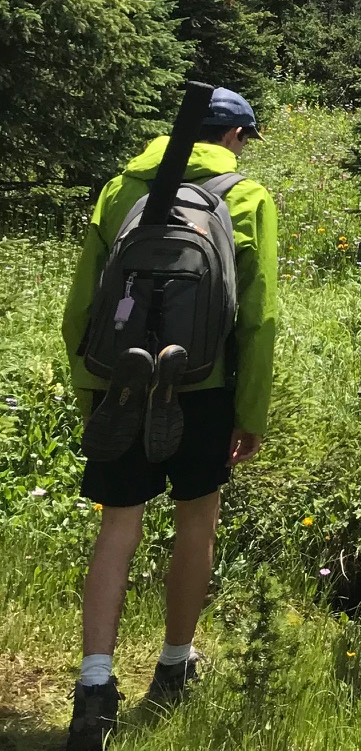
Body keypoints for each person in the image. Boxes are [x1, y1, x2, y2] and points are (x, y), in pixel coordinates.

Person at [59, 88, 277, 751]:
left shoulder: (120, 189)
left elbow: (81, 306)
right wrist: (251, 412)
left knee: (118, 528)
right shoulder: (247, 196)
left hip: (119, 382)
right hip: (202, 383)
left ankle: (95, 686)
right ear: (235, 135)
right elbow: (259, 318)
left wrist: (91, 394)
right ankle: (175, 665)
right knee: (196, 524)